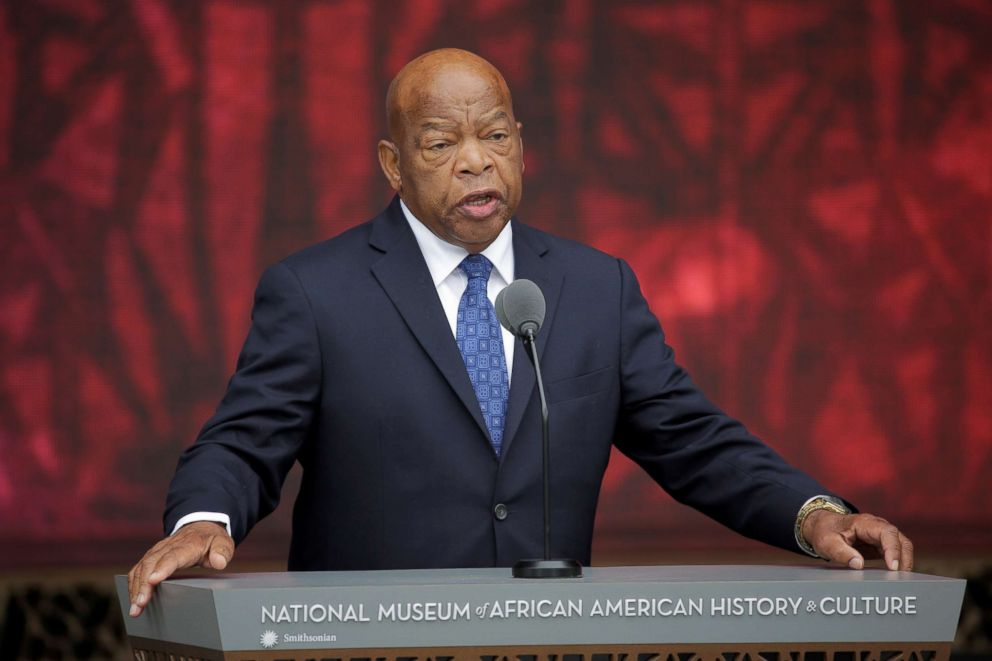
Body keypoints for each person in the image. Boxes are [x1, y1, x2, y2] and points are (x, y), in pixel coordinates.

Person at [127, 48, 913, 617]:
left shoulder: (594, 286)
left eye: (495, 136)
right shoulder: (315, 291)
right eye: (441, 143)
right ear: (394, 164)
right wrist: (204, 519)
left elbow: (693, 439)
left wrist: (813, 514)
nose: (476, 162)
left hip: (550, 635)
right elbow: (242, 441)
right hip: (365, 640)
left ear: (521, 144)